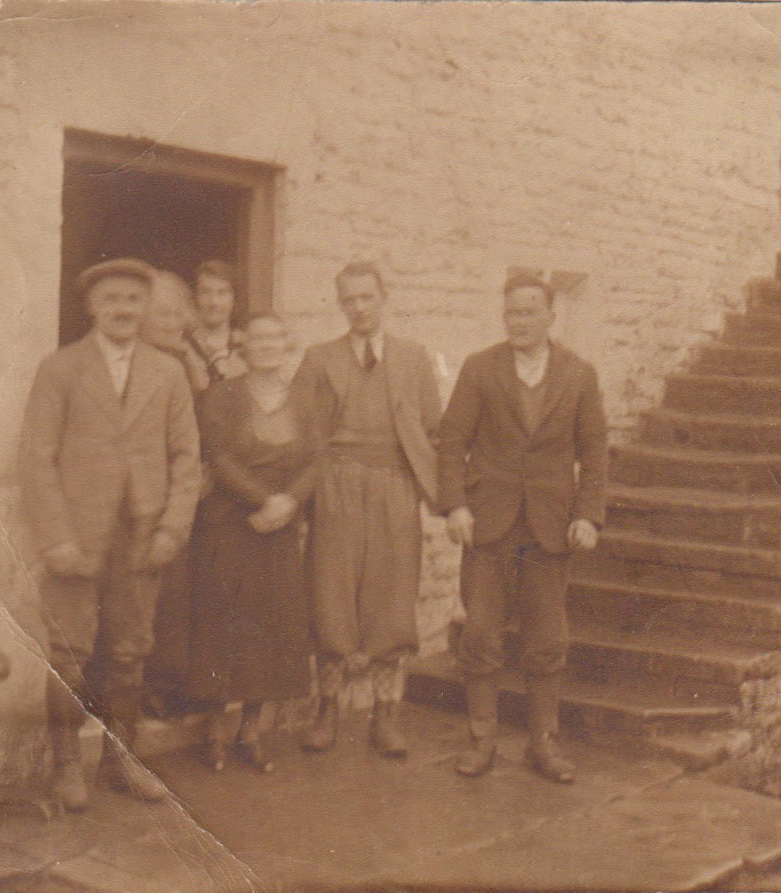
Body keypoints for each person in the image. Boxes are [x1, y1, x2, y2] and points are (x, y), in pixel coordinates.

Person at [20, 258, 201, 811]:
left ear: (146, 309)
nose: (123, 309)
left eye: (133, 299)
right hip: (77, 534)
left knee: (129, 652)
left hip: (141, 534)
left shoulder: (167, 372)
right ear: (92, 308)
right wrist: (55, 537)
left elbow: (186, 457)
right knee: (70, 650)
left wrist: (172, 527)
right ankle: (65, 764)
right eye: (112, 299)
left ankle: (124, 761)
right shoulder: (61, 369)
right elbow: (36, 458)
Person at [437, 271, 607, 784]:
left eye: (530, 312)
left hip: (550, 525)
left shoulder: (579, 374)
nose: (520, 322)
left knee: (547, 637)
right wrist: (455, 507)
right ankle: (481, 739)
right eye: (512, 312)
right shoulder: (479, 369)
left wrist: (587, 515)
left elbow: (595, 451)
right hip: (489, 522)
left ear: (552, 316)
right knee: (483, 632)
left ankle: (543, 742)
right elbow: (451, 442)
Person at [293, 261, 440, 757]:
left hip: (395, 483)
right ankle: (327, 708)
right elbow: (301, 433)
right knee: (330, 592)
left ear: (384, 298)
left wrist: (431, 488)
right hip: (336, 484)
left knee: (392, 597)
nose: (358, 308)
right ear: (340, 305)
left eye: (366, 298)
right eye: (348, 300)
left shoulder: (415, 358)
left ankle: (385, 714)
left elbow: (432, 429)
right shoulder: (318, 359)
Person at [187, 314, 315, 773]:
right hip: (230, 521)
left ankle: (251, 732)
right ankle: (216, 732)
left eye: (274, 337)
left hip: (279, 528)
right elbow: (219, 458)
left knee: (271, 628)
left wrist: (289, 503)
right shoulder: (221, 396)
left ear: (287, 343)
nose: (265, 346)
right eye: (256, 338)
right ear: (242, 347)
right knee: (224, 623)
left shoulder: (304, 398)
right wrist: (265, 501)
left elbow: (317, 461)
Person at [138, 270, 203, 717]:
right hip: (132, 497)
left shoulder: (181, 365)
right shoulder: (126, 359)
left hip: (175, 497)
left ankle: (161, 685)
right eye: (163, 311)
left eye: (178, 312)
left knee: (173, 596)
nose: (172, 320)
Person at [184, 259, 248, 390]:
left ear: (234, 299)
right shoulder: (182, 345)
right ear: (195, 298)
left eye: (222, 292)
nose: (214, 302)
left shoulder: (247, 345)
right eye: (206, 292)